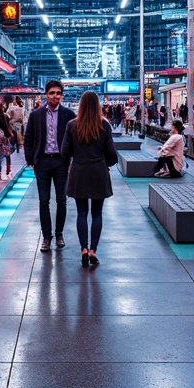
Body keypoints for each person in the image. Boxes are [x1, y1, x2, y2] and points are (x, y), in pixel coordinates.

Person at [61, 90, 118, 267]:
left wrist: (76, 157)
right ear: (98, 105)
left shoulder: (72, 125)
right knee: (97, 213)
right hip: (99, 172)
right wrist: (105, 162)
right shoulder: (104, 125)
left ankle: (83, 249)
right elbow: (112, 155)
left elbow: (64, 152)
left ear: (81, 105)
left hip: (79, 172)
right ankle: (93, 249)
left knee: (81, 212)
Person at [23, 79, 76, 251]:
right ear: (46, 95)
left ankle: (59, 233)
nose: (55, 96)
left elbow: (75, 139)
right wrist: (31, 160)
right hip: (43, 162)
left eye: (58, 93)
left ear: (62, 95)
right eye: (52, 93)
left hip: (61, 162)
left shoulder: (69, 115)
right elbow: (28, 138)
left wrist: (71, 159)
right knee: (43, 200)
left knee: (62, 200)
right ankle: (46, 237)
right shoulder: (36, 115)